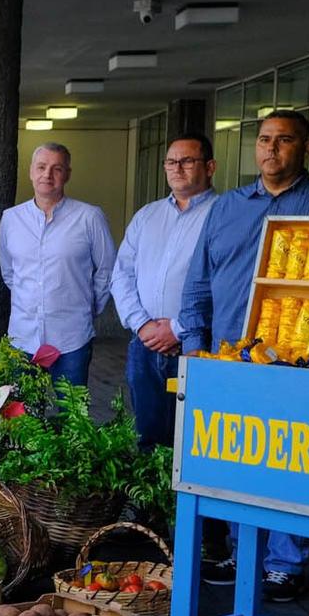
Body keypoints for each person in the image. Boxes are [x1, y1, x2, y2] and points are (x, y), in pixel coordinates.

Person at [177, 110, 309, 600]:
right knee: (236, 456)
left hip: (300, 363)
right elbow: (198, 281)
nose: (271, 150)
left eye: (284, 141)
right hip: (229, 357)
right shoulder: (227, 208)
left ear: (307, 147)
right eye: (264, 140)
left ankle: (285, 563)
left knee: (288, 462)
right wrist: (194, 347)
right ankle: (243, 553)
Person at [112, 133, 219, 447]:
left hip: (196, 344)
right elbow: (121, 275)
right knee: (147, 434)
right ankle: (148, 498)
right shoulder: (148, 215)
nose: (178, 168)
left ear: (210, 166)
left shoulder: (224, 214)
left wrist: (177, 328)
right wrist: (143, 325)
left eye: (187, 161)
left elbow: (227, 285)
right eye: (171, 162)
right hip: (144, 346)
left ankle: (182, 498)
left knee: (193, 439)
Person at [0, 143, 116, 387]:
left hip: (72, 337)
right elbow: (10, 273)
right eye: (41, 167)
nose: (47, 175)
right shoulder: (11, 219)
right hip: (22, 338)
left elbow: (107, 270)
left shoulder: (89, 217)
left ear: (67, 174)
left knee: (72, 419)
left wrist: (87, 307)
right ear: (31, 171)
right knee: (25, 420)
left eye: (56, 168)